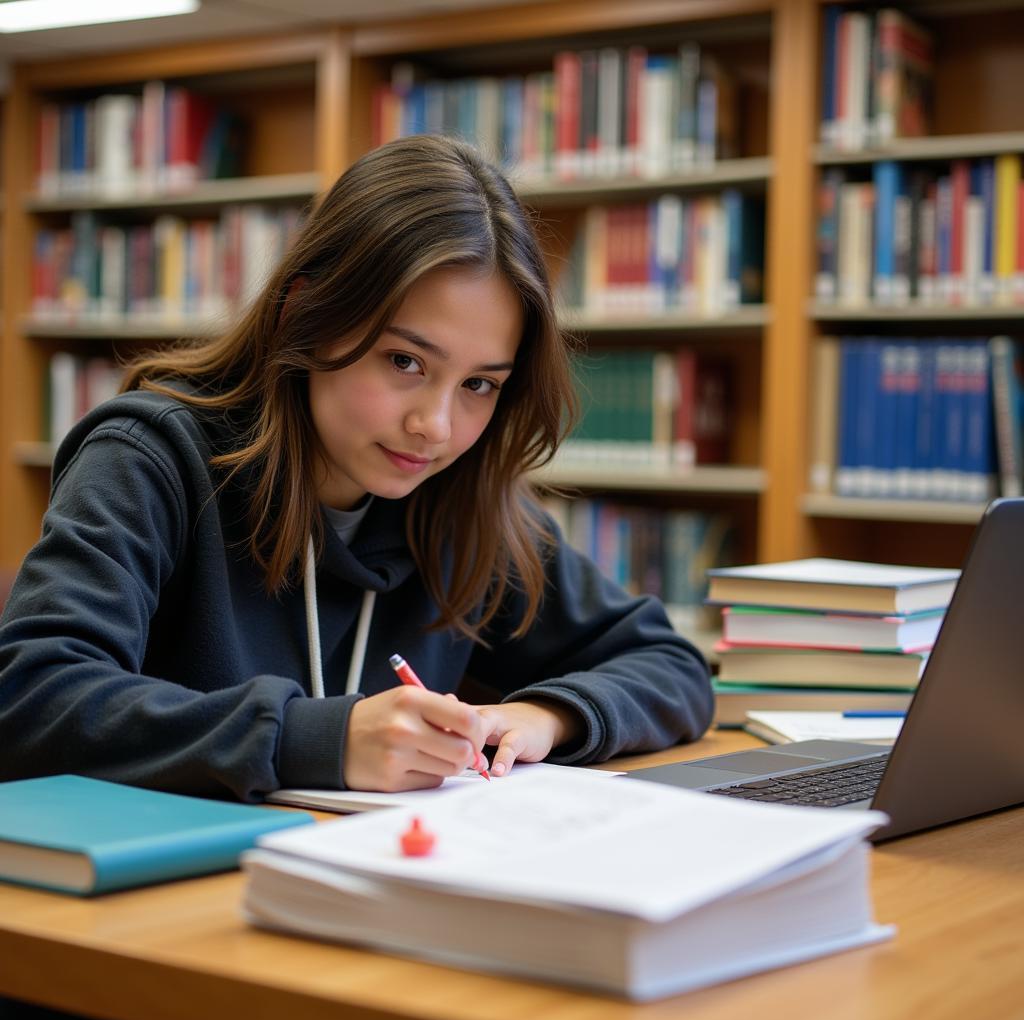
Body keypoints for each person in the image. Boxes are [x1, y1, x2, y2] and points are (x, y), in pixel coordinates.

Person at [0, 135, 713, 802]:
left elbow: (671, 666)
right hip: (168, 894)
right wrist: (320, 738)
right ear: (303, 315)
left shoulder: (464, 503)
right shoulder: (151, 459)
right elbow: (30, 698)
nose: (434, 426)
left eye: (479, 385)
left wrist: (545, 715)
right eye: (405, 361)